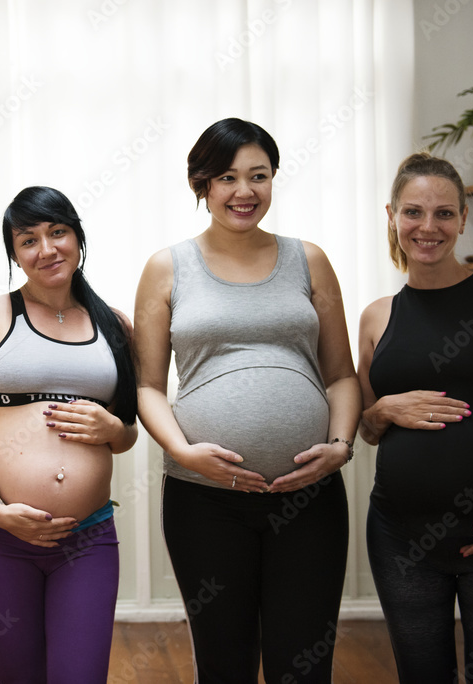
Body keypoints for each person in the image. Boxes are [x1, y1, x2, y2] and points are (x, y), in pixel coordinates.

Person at [133, 117, 361, 683]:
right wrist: (184, 453)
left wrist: (340, 445)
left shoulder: (308, 259)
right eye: (227, 177)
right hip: (204, 500)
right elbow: (147, 387)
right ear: (202, 184)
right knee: (224, 660)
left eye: (258, 176)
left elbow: (341, 376)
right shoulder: (168, 267)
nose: (244, 192)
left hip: (308, 496)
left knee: (304, 662)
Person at [0, 186, 137, 683]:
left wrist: (115, 427)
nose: (46, 249)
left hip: (85, 539)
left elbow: (126, 433)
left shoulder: (115, 326)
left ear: (77, 238)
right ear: (15, 254)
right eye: (28, 240)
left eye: (58, 233)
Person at [357, 152, 473, 683]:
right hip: (402, 539)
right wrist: (382, 408)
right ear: (392, 215)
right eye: (413, 212)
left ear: (463, 219)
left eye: (444, 213)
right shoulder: (377, 317)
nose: (428, 227)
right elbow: (368, 428)